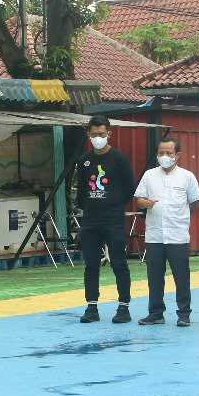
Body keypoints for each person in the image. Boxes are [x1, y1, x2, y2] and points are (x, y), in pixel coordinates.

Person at [134, 137, 199, 326]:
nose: (164, 156)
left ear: (177, 155)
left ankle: (183, 313)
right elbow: (139, 198)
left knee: (181, 277)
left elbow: (195, 203)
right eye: (161, 153)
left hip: (177, 235)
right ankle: (156, 313)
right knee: (154, 277)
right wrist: (145, 203)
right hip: (154, 236)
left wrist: (180, 216)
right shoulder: (149, 175)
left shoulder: (187, 177)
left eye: (169, 153)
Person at [74, 115, 136, 323]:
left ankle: (123, 307)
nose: (98, 137)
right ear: (88, 135)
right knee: (91, 265)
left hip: (113, 220)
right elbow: (81, 191)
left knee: (119, 263)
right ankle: (92, 307)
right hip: (90, 221)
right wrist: (90, 207)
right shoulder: (84, 160)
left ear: (109, 134)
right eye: (94, 134)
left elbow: (129, 189)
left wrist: (114, 205)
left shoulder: (119, 158)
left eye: (101, 134)